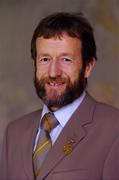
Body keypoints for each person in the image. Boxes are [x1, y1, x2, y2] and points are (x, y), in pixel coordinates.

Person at [0, 12, 119, 180]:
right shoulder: (14, 133)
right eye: (45, 59)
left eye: (66, 60)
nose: (53, 72)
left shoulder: (114, 129)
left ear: (88, 67)